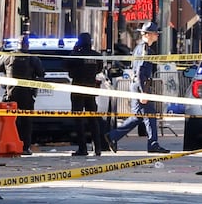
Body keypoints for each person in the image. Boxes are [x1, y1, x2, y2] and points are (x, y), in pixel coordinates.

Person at [105, 22, 169, 154]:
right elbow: (140, 71)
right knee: (150, 115)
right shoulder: (144, 49)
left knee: (138, 117)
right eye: (155, 33)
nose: (157, 35)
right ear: (147, 35)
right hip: (141, 85)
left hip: (139, 85)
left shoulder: (142, 48)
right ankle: (153, 144)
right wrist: (143, 92)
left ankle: (113, 136)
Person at [0, 33, 46, 155]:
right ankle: (25, 147)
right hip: (27, 94)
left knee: (11, 121)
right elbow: (41, 73)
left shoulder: (8, 56)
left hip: (11, 94)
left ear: (17, 44)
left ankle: (11, 146)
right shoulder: (33, 59)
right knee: (26, 121)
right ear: (27, 45)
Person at [64, 32, 105, 156]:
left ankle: (82, 148)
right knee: (93, 119)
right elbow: (99, 69)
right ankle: (97, 147)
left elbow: (66, 66)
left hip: (78, 89)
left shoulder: (75, 55)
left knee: (79, 120)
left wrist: (74, 49)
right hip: (91, 89)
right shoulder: (96, 56)